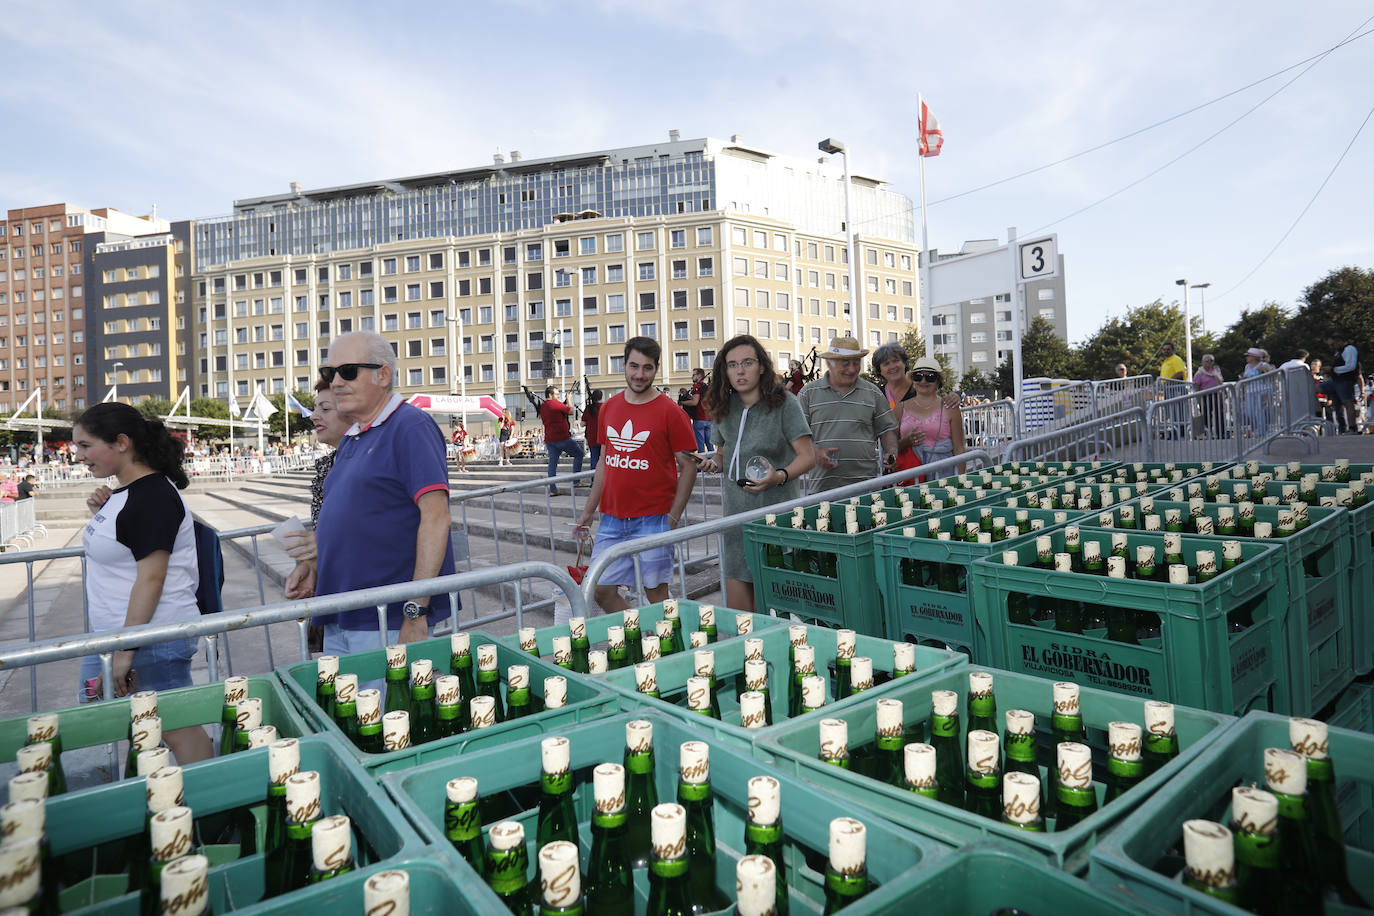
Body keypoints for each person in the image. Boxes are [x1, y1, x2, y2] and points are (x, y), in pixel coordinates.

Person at [285, 331, 456, 651]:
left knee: (383, 703)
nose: (335, 382)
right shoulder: (353, 436)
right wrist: (313, 568)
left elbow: (436, 519)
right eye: (328, 372)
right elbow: (352, 521)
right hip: (341, 614)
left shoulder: (410, 426)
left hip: (384, 619)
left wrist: (416, 612)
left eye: (347, 372)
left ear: (383, 375)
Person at [73, 403, 212, 764]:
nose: (79, 456)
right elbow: (125, 548)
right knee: (125, 718)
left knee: (178, 728)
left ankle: (213, 808)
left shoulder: (151, 497)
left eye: (86, 446)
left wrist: (126, 650)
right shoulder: (127, 493)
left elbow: (152, 578)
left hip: (149, 638)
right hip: (121, 636)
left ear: (121, 442)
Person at [574, 337, 698, 613]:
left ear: (656, 368)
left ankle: (673, 649)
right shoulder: (609, 407)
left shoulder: (671, 412)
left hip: (654, 518)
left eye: (647, 368)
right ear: (624, 364)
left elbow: (688, 466)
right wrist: (588, 511)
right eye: (634, 366)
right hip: (612, 519)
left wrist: (673, 518)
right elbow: (605, 462)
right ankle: (639, 638)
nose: (639, 374)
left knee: (656, 594)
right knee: (600, 590)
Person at [699, 336, 815, 610]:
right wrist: (711, 464)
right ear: (724, 371)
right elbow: (723, 454)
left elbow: (808, 456)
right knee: (742, 622)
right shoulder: (722, 404)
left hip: (777, 522)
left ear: (762, 366)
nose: (740, 371)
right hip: (736, 524)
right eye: (732, 365)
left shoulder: (785, 403)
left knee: (777, 616)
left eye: (747, 363)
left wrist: (780, 476)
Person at [282, 381, 351, 654]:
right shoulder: (326, 466)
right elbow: (326, 529)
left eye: (324, 408)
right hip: (334, 599)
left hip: (366, 601)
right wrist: (310, 564)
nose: (313, 416)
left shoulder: (370, 462)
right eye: (314, 408)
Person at [798, 336, 899, 492]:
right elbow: (796, 435)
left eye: (856, 362)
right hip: (822, 488)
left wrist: (891, 451)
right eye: (845, 363)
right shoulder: (808, 393)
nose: (852, 369)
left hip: (865, 485)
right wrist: (814, 452)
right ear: (829, 364)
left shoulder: (872, 392)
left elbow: (887, 429)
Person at [539, 384, 586, 495]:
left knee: (553, 464)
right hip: (561, 437)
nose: (558, 396)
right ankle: (576, 481)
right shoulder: (554, 404)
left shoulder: (543, 406)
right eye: (556, 394)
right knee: (579, 454)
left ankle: (553, 489)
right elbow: (570, 411)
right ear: (550, 395)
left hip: (550, 439)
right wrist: (569, 399)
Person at [1319, 333, 1360, 434]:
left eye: (1333, 344)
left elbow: (1351, 366)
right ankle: (1317, 414)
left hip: (1345, 380)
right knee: (1315, 389)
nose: (1332, 347)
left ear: (1339, 341)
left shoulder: (1349, 349)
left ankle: (1353, 428)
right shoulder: (1339, 352)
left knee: (1348, 403)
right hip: (1335, 380)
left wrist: (1333, 369)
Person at [1193, 354, 1226, 438]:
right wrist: (1199, 399)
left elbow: (1221, 382)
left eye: (1211, 360)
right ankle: (1206, 434)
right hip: (1205, 396)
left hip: (1217, 394)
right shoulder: (1199, 373)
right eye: (1207, 361)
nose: (1209, 363)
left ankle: (1221, 434)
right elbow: (1197, 386)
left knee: (1219, 414)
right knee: (1205, 415)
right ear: (1203, 362)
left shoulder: (1216, 371)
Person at [683, 368, 712, 453]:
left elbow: (695, 402)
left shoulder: (697, 386)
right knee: (710, 445)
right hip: (709, 419)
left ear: (699, 376)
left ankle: (702, 463)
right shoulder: (707, 386)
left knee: (700, 445)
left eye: (693, 375)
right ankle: (712, 462)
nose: (692, 377)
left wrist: (683, 402)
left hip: (700, 418)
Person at [583, 389, 604, 470]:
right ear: (601, 397)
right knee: (603, 459)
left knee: (594, 459)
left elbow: (582, 424)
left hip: (592, 437)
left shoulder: (589, 408)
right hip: (603, 437)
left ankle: (594, 480)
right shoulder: (605, 406)